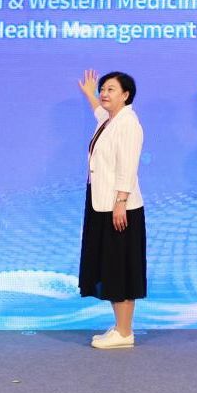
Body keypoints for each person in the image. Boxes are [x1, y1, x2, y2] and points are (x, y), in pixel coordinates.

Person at [77, 69, 146, 349]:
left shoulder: (128, 124)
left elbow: (128, 167)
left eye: (111, 90)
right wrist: (89, 94)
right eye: (103, 89)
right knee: (110, 265)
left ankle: (125, 332)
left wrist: (121, 203)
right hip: (102, 203)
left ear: (126, 95)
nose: (104, 94)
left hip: (119, 208)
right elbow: (99, 112)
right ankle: (120, 327)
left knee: (121, 267)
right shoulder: (110, 120)